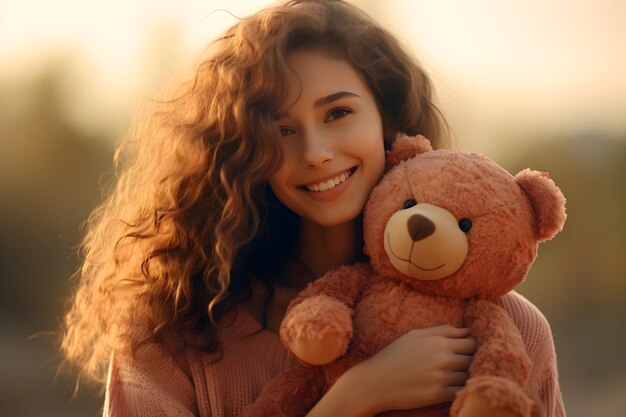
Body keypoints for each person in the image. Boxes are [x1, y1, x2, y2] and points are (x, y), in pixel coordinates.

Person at [60, 1, 566, 416]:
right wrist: (352, 397)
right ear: (242, 151)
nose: (315, 151)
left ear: (385, 116)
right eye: (280, 130)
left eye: (338, 113)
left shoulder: (512, 332)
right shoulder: (173, 332)